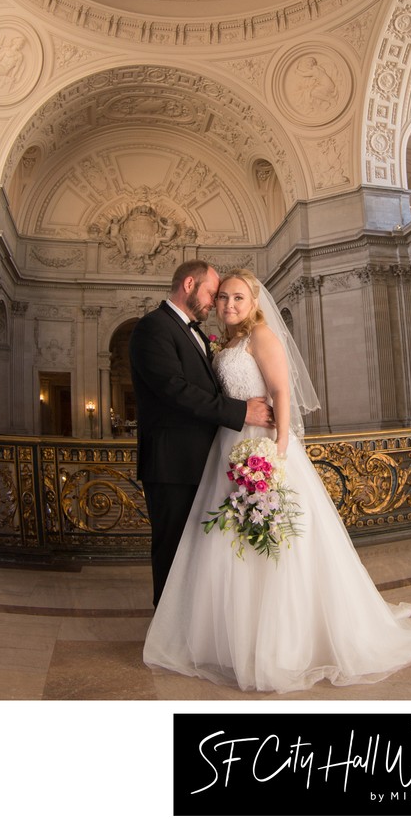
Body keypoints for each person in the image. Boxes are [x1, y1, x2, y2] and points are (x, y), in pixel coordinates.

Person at [143, 269, 411, 693]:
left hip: (263, 447)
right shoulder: (221, 343)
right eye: (222, 297)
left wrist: (277, 452)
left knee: (280, 543)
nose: (226, 305)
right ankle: (230, 635)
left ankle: (283, 640)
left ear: (254, 302)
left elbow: (282, 392)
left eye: (236, 298)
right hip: (226, 451)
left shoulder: (261, 336)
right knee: (231, 543)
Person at [129, 260, 274, 607]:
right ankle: (167, 629)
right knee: (172, 548)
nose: (217, 302)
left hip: (202, 461)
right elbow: (174, 390)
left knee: (197, 551)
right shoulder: (154, 327)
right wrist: (241, 411)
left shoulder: (191, 331)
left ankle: (190, 625)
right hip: (172, 464)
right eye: (213, 293)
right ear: (189, 284)